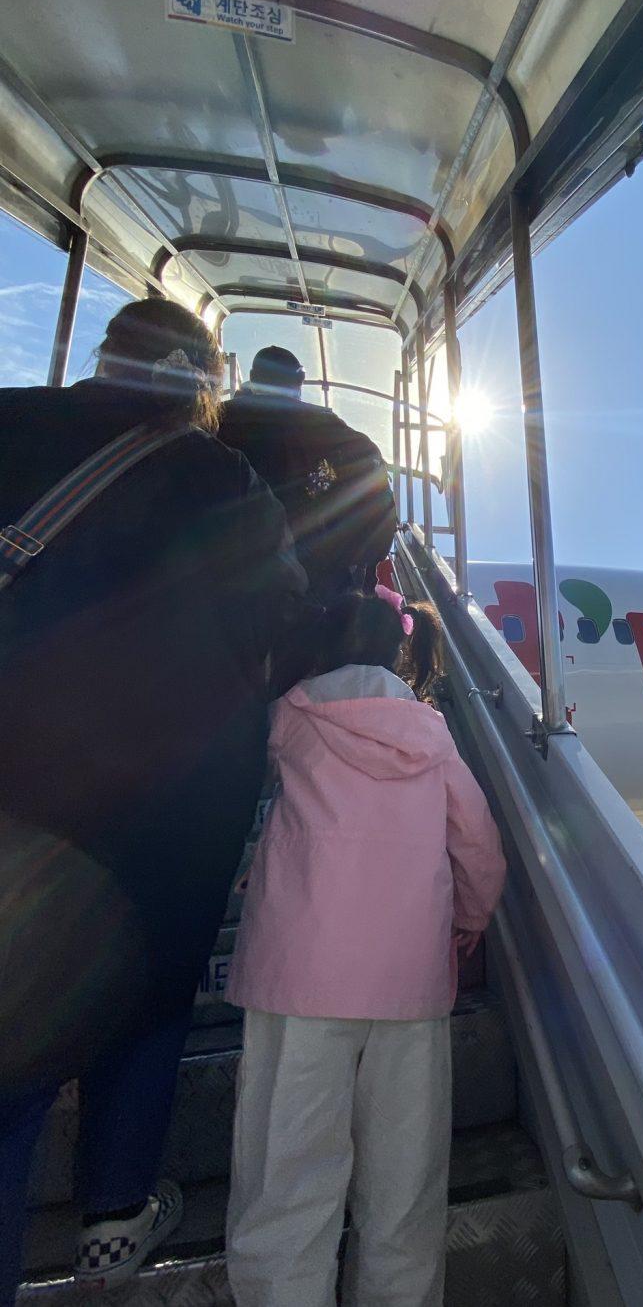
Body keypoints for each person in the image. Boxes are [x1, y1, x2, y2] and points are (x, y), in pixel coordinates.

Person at [0, 299, 306, 1302]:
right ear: (202, 378)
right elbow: (280, 622)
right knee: (149, 1003)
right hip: (175, 811)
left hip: (22, 793)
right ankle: (113, 1220)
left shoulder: (12, 421)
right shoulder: (221, 478)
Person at [224, 588, 505, 1307]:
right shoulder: (431, 733)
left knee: (286, 1176)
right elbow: (478, 843)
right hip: (409, 980)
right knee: (403, 1185)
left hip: (298, 978)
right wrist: (470, 916)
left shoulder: (290, 716)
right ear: (397, 650)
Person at [218, 346, 398, 600]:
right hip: (313, 593)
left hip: (220, 588)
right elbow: (379, 521)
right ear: (299, 383)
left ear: (252, 376)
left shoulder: (213, 423)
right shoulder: (334, 432)